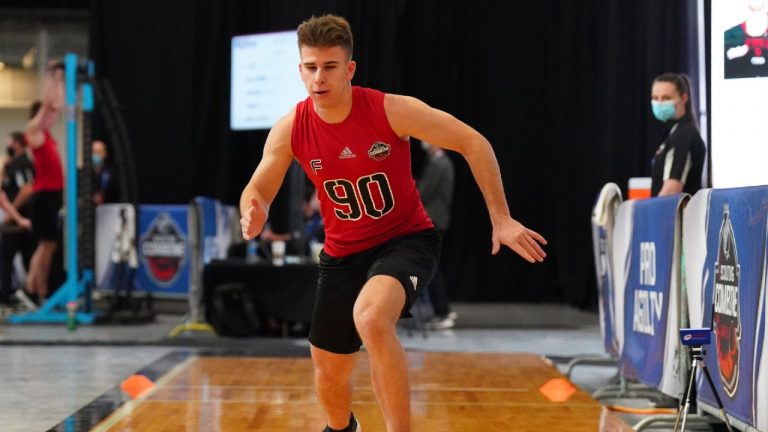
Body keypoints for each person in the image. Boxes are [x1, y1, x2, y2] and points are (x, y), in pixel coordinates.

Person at [239, 15, 547, 432]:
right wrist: (252, 207)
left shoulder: (390, 109)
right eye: (311, 67)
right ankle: (342, 427)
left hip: (404, 240)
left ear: (349, 69)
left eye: (329, 67)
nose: (319, 77)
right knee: (329, 372)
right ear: (300, 70)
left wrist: (501, 217)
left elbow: (475, 143)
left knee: (370, 317)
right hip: (342, 253)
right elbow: (258, 185)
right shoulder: (291, 128)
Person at [24, 62, 65, 303]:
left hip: (52, 195)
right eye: (46, 114)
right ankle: (31, 289)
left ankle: (41, 293)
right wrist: (49, 75)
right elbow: (48, 105)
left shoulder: (46, 134)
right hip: (42, 196)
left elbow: (56, 105)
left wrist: (59, 78)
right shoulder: (33, 131)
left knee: (49, 247)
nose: (51, 115)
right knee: (44, 246)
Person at [416, 140, 456, 329]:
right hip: (437, 220)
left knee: (431, 268)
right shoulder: (440, 162)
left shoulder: (438, 163)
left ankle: (443, 311)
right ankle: (441, 310)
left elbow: (424, 192)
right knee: (431, 267)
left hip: (433, 221)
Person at [649, 73, 707, 197]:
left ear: (683, 98)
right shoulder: (676, 131)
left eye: (666, 98)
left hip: (676, 215)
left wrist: (653, 215)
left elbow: (671, 191)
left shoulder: (683, 134)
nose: (659, 103)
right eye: (655, 97)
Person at [0, 132, 36, 307]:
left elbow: (26, 190)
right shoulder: (24, 164)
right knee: (27, 256)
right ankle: (31, 294)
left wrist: (13, 216)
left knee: (7, 257)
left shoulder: (18, 165)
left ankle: (7, 296)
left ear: (17, 143)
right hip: (23, 218)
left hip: (17, 221)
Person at [91, 139, 119, 205]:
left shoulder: (111, 173)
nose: (96, 155)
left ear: (105, 154)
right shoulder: (83, 174)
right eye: (93, 152)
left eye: (99, 152)